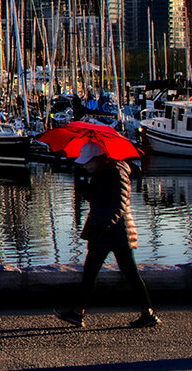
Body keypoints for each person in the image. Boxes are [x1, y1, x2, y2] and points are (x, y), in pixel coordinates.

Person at [55, 141, 159, 329]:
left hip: (115, 231)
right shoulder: (102, 173)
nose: (85, 166)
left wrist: (103, 226)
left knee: (127, 272)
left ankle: (148, 313)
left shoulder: (117, 173)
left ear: (99, 159)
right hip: (104, 231)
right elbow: (100, 199)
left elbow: (118, 204)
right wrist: (85, 189)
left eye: (88, 162)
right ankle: (78, 312)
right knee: (94, 271)